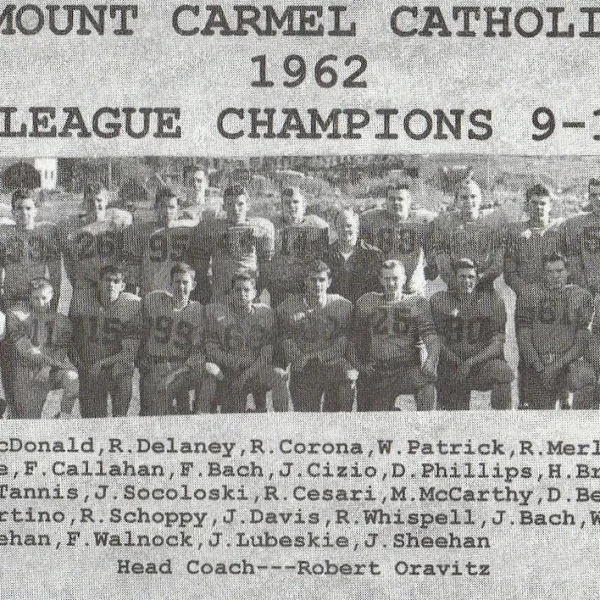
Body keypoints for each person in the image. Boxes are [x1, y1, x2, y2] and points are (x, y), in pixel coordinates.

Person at [0, 188, 62, 408]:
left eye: (28, 208)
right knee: (7, 355)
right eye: (18, 208)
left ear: (36, 210)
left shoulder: (45, 235)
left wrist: (50, 310)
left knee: (31, 358)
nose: (23, 213)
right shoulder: (5, 236)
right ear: (13, 210)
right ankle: (8, 402)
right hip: (10, 303)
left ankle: (28, 407)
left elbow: (56, 275)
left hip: (35, 304)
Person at [352, 260, 439, 411]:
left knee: (426, 382)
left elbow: (431, 337)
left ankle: (425, 428)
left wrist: (431, 360)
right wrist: (361, 366)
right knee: (374, 421)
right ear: (380, 280)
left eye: (395, 278)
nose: (391, 283)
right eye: (387, 279)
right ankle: (392, 412)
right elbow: (352, 341)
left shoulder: (417, 303)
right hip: (378, 371)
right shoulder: (367, 301)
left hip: (405, 369)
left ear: (404, 279)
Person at [431, 258, 514, 410]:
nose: (466, 281)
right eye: (462, 276)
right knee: (453, 421)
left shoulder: (492, 300)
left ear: (477, 279)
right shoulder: (439, 300)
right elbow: (438, 341)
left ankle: (502, 424)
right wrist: (458, 362)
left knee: (503, 372)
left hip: (482, 365)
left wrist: (470, 363)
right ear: (453, 278)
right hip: (453, 365)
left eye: (471, 277)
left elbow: (497, 345)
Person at [516, 252, 595, 409]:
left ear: (567, 271)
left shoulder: (581, 296)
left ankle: (577, 425)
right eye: (549, 272)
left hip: (567, 364)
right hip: (539, 364)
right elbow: (524, 339)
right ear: (543, 273)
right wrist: (541, 368)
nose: (555, 276)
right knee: (542, 417)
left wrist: (555, 366)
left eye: (559, 271)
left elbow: (581, 344)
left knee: (586, 378)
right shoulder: (529, 295)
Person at [275, 260, 354, 412]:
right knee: (307, 421)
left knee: (347, 376)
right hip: (304, 368)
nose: (317, 284)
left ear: (329, 282)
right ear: (306, 281)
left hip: (331, 364)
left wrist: (317, 356)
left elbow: (343, 342)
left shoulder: (342, 305)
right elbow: (285, 339)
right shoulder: (288, 306)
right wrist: (298, 357)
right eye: (313, 279)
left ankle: (345, 425)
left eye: (322, 280)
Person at [70, 265, 141, 418]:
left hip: (115, 365)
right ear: (99, 282)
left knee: (123, 377)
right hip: (90, 365)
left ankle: (119, 422)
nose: (110, 285)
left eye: (116, 281)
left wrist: (103, 363)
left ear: (123, 286)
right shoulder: (82, 300)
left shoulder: (131, 304)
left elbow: (129, 351)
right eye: (107, 280)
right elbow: (71, 339)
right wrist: (81, 365)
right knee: (93, 418)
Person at [138, 263, 206, 416]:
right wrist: (142, 359)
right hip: (157, 365)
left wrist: (175, 374)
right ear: (169, 284)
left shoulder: (198, 310)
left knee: (208, 372)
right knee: (154, 415)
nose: (180, 287)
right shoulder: (154, 300)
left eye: (185, 282)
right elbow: (140, 330)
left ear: (193, 285)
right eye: (177, 282)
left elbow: (198, 351)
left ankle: (199, 414)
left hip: (183, 368)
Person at [204, 270, 275, 413]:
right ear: (231, 293)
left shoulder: (265, 314)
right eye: (238, 290)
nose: (242, 294)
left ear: (255, 293)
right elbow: (211, 348)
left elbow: (266, 355)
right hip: (230, 370)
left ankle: (264, 409)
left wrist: (246, 375)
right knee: (232, 416)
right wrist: (232, 361)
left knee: (273, 376)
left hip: (255, 370)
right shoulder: (219, 314)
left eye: (246, 290)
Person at [8, 278, 78, 419]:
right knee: (29, 422)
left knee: (72, 379)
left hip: (50, 371)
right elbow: (25, 349)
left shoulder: (62, 321)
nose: (40, 303)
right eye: (36, 298)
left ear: (52, 296)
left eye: (44, 298)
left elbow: (60, 350)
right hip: (28, 372)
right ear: (30, 298)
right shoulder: (18, 316)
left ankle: (63, 419)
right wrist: (48, 364)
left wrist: (48, 367)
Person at [193, 185, 274, 302]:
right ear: (224, 207)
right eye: (230, 204)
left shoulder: (260, 228)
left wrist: (257, 291)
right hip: (221, 295)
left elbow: (266, 269)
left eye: (240, 204)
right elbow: (201, 268)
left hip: (247, 294)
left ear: (248, 206)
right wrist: (209, 290)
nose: (235, 209)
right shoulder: (212, 229)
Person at [62, 182, 132, 313]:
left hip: (110, 282)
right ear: (84, 203)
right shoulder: (72, 226)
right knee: (81, 325)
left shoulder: (119, 220)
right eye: (90, 201)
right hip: (86, 283)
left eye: (99, 200)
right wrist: (78, 282)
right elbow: (69, 262)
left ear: (106, 201)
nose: (95, 204)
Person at [360, 183, 436, 293]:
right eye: (392, 199)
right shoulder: (371, 219)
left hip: (412, 288)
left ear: (409, 201)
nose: (396, 202)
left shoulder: (422, 220)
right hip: (382, 288)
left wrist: (432, 268)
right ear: (385, 201)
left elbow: (442, 234)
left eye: (400, 199)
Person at [430, 179, 504, 290]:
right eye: (464, 197)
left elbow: (499, 260)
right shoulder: (447, 222)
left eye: (473, 196)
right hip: (456, 285)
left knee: (497, 305)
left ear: (480, 198)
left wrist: (482, 277)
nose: (469, 201)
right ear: (456, 201)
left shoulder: (492, 220)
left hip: (485, 284)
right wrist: (455, 282)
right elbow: (442, 259)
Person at [124, 186, 197, 297]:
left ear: (178, 208)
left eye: (171, 207)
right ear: (156, 207)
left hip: (179, 294)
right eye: (162, 206)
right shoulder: (141, 231)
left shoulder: (188, 230)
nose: (167, 211)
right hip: (151, 293)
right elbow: (134, 270)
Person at [266, 187, 330, 306]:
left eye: (295, 202)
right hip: (280, 290)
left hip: (308, 289)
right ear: (282, 206)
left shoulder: (318, 227)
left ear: (304, 205)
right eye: (287, 202)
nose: (291, 206)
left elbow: (324, 263)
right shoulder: (271, 227)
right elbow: (264, 262)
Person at [504, 184, 565, 296]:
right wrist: (525, 291)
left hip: (556, 296)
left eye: (543, 203)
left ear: (550, 206)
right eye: (534, 203)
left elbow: (570, 266)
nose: (538, 207)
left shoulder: (560, 230)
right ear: (527, 205)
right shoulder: (516, 232)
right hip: (527, 299)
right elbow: (509, 272)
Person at [325, 206, 382, 304]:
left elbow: (379, 289)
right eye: (341, 226)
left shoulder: (374, 255)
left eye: (349, 225)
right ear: (335, 228)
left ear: (357, 227)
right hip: (336, 311)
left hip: (365, 310)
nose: (345, 229)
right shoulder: (326, 255)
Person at [561, 178, 600, 294]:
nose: (598, 199)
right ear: (589, 197)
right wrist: (585, 288)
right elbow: (573, 258)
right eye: (594, 195)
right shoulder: (576, 224)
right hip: (589, 290)